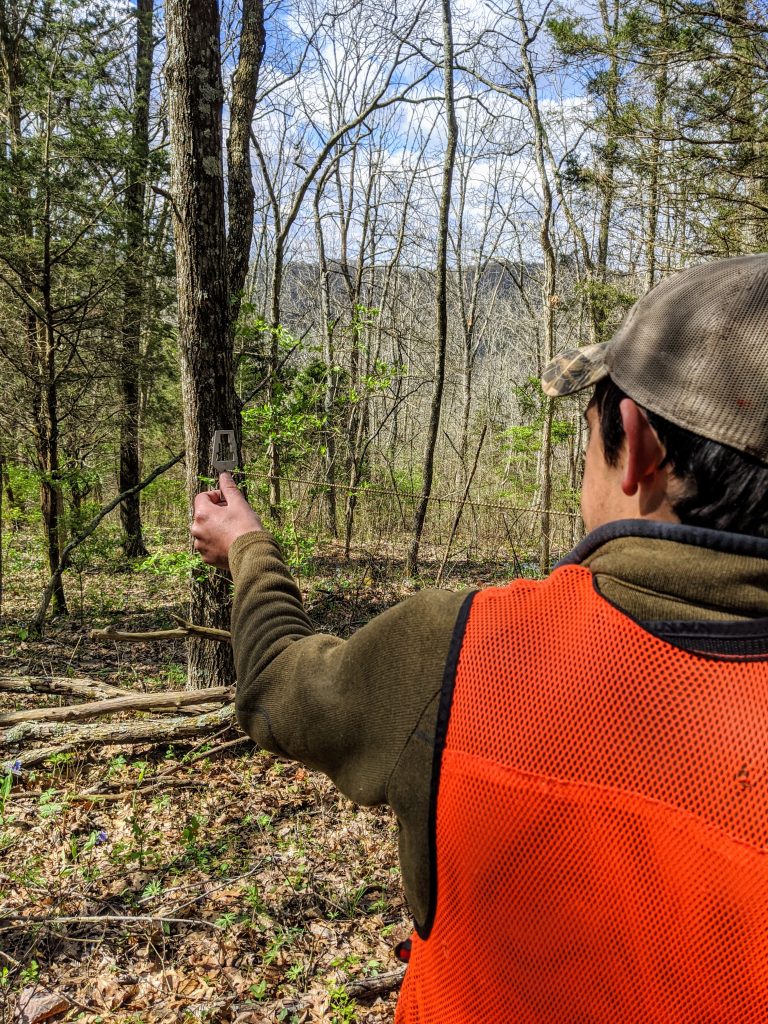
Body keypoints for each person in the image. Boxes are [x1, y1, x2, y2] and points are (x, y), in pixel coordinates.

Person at [191, 253, 768, 1022]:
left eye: (590, 425)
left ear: (638, 446)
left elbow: (276, 689)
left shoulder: (461, 649)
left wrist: (248, 551)